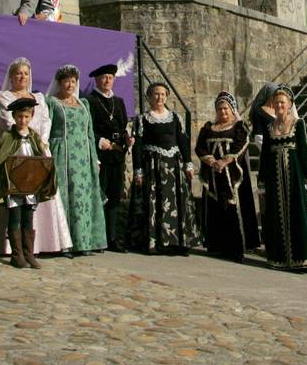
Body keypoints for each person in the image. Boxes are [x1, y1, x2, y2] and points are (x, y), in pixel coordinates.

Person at [0, 58, 71, 256]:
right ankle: (16, 251)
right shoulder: (4, 97)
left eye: (26, 73)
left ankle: (36, 248)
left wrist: (41, 140)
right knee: (16, 202)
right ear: (11, 76)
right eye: (18, 73)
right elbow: (5, 120)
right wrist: (22, 132)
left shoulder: (39, 98)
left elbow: (45, 121)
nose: (22, 77)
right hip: (16, 150)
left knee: (34, 200)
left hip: (37, 149)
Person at [257, 86, 307, 273]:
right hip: (274, 178)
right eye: (276, 102)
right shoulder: (269, 127)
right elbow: (264, 156)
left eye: (283, 102)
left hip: (294, 176)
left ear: (289, 105)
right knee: (276, 216)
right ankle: (280, 258)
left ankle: (303, 258)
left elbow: (304, 153)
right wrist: (261, 182)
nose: (279, 105)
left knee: (299, 214)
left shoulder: (299, 124)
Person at [127, 83, 197, 255]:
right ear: (149, 97)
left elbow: (183, 142)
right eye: (156, 94)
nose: (159, 97)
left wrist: (188, 164)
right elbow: (138, 146)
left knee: (175, 204)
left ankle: (177, 243)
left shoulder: (175, 118)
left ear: (167, 97)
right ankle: (156, 242)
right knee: (156, 203)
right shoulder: (142, 119)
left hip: (173, 167)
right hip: (153, 167)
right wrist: (138, 171)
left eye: (163, 94)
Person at [47, 64, 107, 254]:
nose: (70, 85)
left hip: (83, 157)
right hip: (62, 154)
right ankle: (64, 243)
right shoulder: (52, 103)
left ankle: (84, 242)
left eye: (73, 81)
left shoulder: (84, 104)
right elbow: (46, 131)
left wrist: (94, 159)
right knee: (65, 197)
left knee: (83, 198)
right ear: (60, 83)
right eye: (67, 81)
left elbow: (90, 133)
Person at [195, 91, 259, 261]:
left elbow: (241, 144)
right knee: (215, 208)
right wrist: (211, 161)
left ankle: (235, 248)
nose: (223, 112)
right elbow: (200, 147)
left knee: (232, 208)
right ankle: (217, 246)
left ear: (232, 110)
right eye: (220, 109)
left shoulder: (239, 128)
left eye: (226, 108)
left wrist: (225, 160)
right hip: (213, 175)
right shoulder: (209, 128)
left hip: (232, 176)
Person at [0, 96, 54, 269]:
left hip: (30, 185)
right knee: (15, 218)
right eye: (19, 116)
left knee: (28, 218)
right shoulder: (7, 137)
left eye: (26, 117)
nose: (22, 120)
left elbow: (41, 158)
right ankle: (16, 254)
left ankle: (29, 254)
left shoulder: (34, 137)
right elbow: (1, 160)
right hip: (14, 186)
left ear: (31, 116)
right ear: (14, 116)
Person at [86, 63, 131, 251]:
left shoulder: (119, 102)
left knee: (114, 197)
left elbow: (122, 126)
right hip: (100, 156)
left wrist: (128, 139)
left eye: (110, 78)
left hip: (117, 157)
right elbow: (88, 129)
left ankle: (112, 238)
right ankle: (98, 238)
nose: (107, 81)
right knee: (100, 196)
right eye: (104, 77)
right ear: (97, 80)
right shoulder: (90, 101)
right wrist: (100, 141)